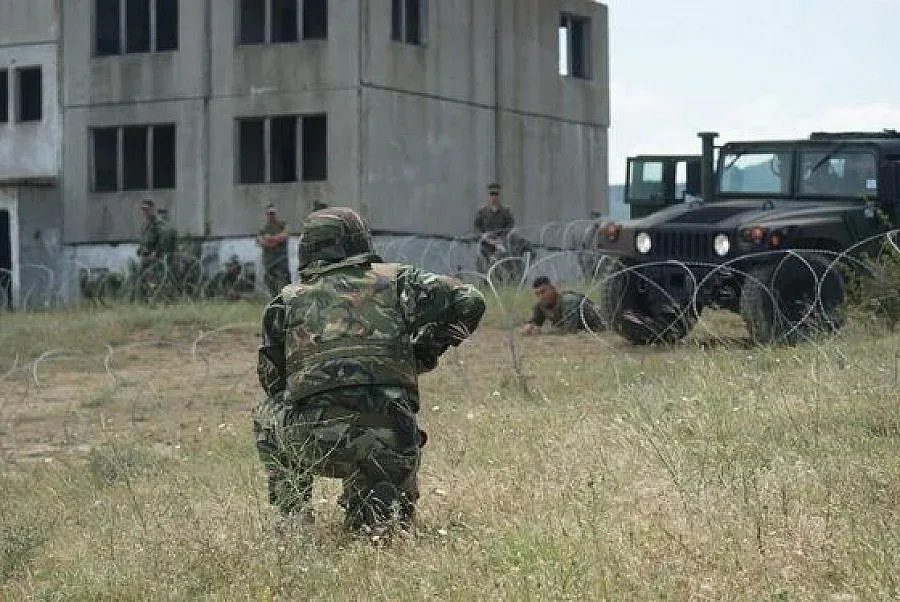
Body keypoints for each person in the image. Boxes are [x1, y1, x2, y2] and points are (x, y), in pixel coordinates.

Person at [252, 206, 486, 533]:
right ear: (360, 241)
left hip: (318, 442)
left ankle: (294, 515)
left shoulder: (287, 301)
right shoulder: (398, 281)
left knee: (265, 412)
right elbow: (470, 301)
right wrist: (425, 352)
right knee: (381, 526)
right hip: (393, 437)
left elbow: (273, 383)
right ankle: (382, 495)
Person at [521, 276, 603, 335]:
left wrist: (543, 331)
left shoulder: (569, 301)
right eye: (537, 293)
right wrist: (529, 327)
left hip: (602, 323)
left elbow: (569, 330)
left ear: (553, 289)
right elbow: (535, 321)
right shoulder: (540, 306)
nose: (541, 296)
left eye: (543, 291)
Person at [256, 204, 291, 295]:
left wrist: (270, 239)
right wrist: (275, 241)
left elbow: (284, 236)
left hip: (281, 259)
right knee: (269, 280)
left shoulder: (282, 225)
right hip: (269, 261)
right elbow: (261, 241)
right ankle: (275, 299)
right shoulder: (263, 228)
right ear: (266, 215)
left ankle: (286, 299)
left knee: (283, 280)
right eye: (269, 214)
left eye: (273, 213)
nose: (271, 216)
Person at [137, 198, 162, 266]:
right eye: (143, 210)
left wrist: (155, 252)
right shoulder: (144, 225)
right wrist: (140, 251)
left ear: (152, 209)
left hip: (156, 259)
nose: (145, 212)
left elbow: (162, 240)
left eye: (147, 210)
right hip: (145, 258)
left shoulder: (159, 223)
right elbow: (143, 240)